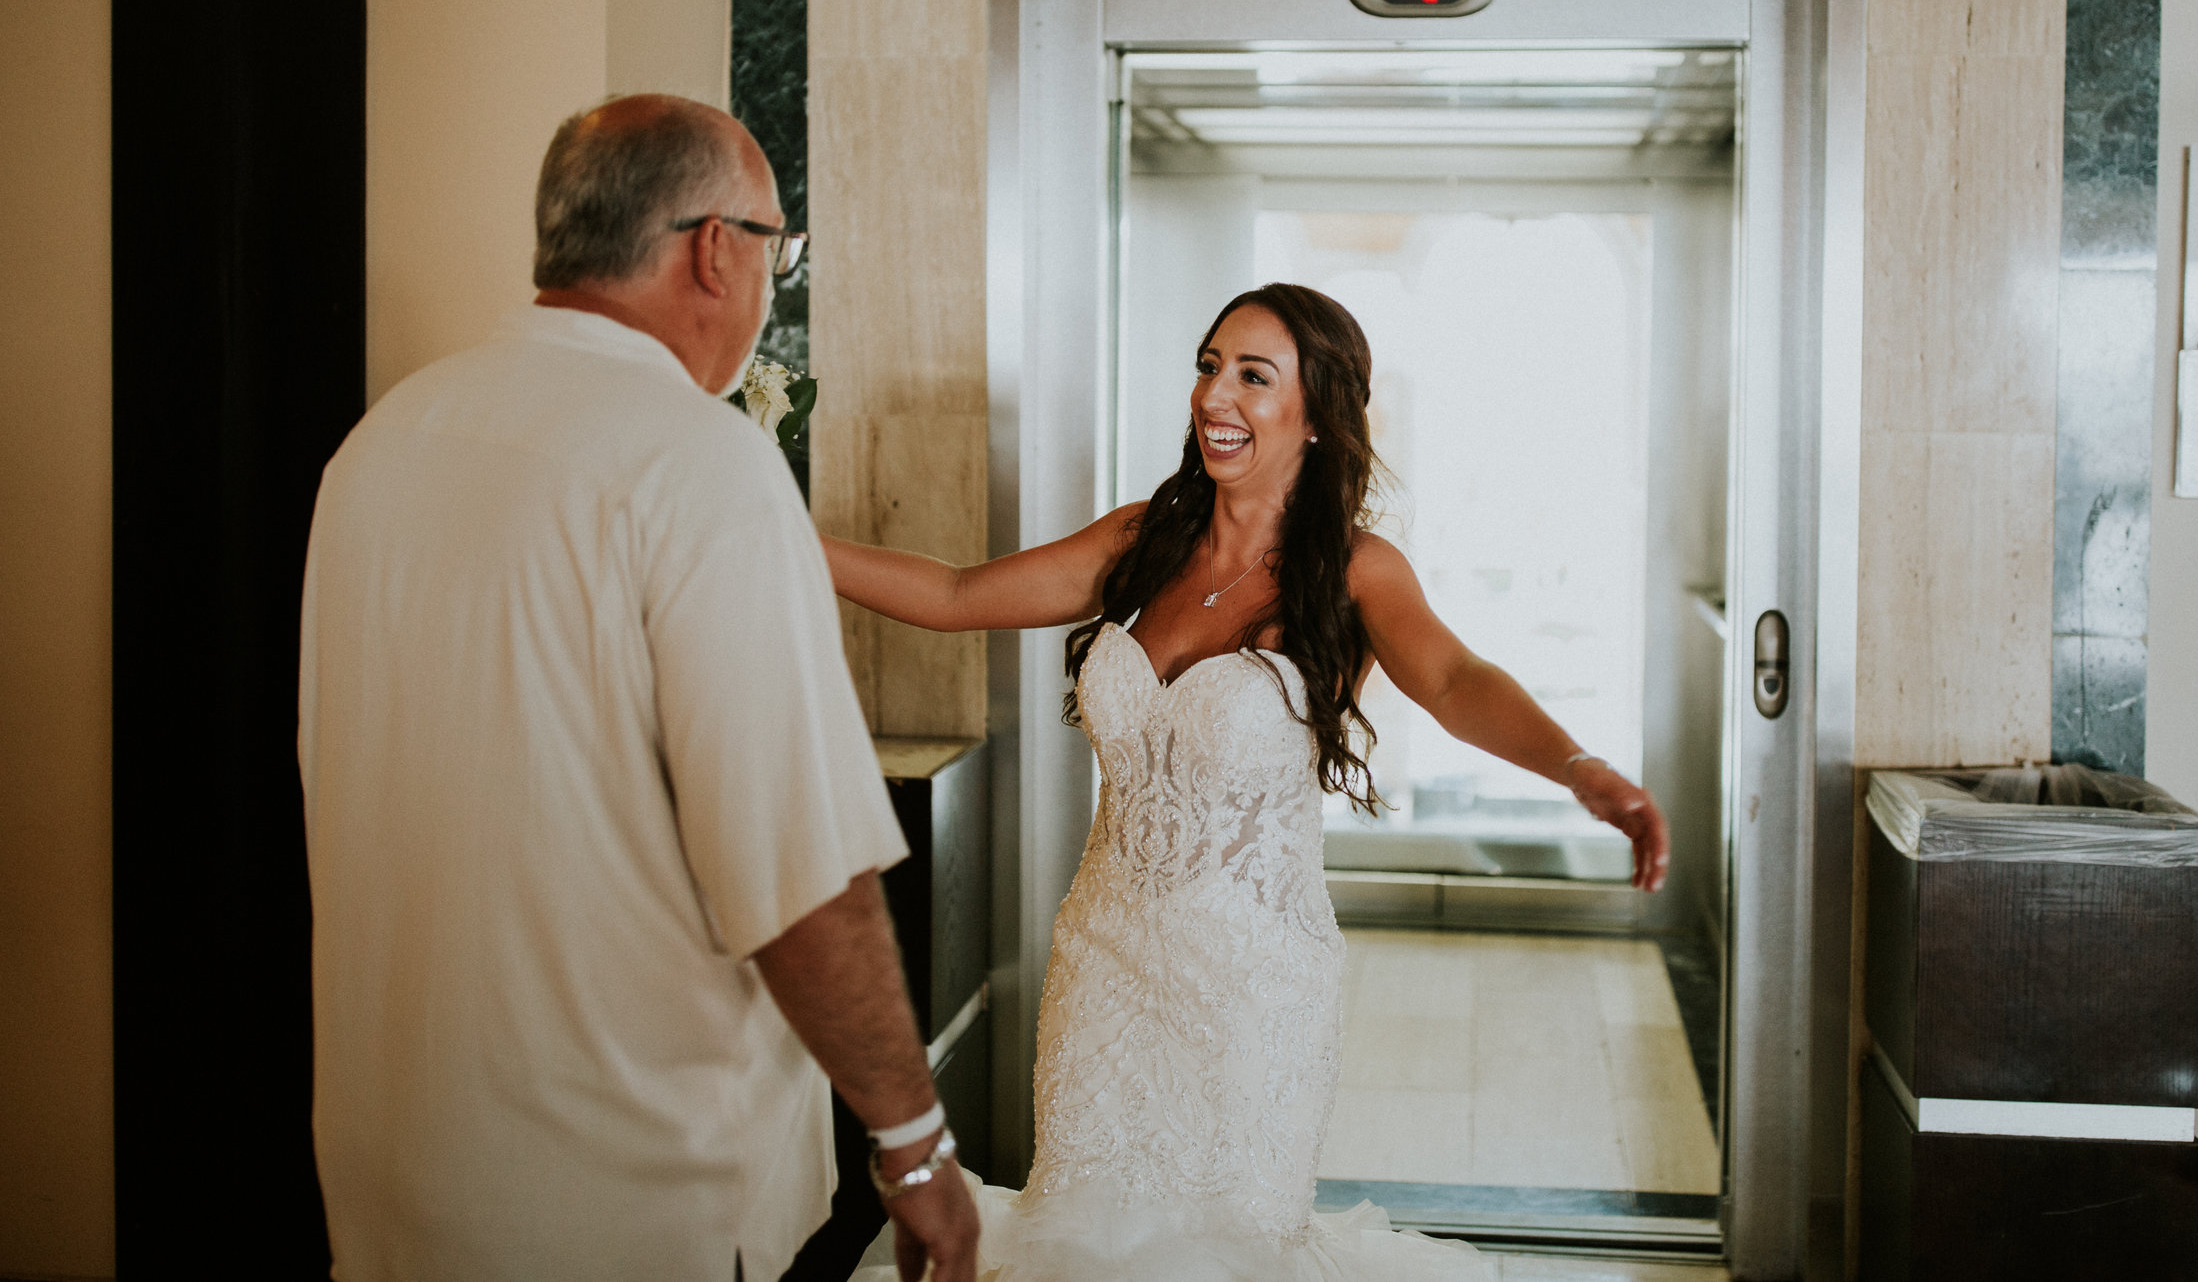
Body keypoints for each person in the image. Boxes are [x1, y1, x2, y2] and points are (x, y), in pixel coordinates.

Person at [825, 282, 1669, 1280]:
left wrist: (1576, 764)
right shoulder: (1140, 540)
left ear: (1316, 418)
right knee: (1078, 1231)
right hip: (1102, 967)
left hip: (1253, 992)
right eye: (1209, 364)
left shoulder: (1357, 570)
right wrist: (785, 535)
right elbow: (956, 593)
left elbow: (1453, 678)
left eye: (1253, 375)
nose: (1214, 392)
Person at [298, 95, 979, 1282]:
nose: (774, 279)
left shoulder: (384, 439)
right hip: (623, 1185)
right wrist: (914, 1146)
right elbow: (800, 873)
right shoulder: (701, 459)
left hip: (391, 1169)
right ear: (716, 248)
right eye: (780, 247)